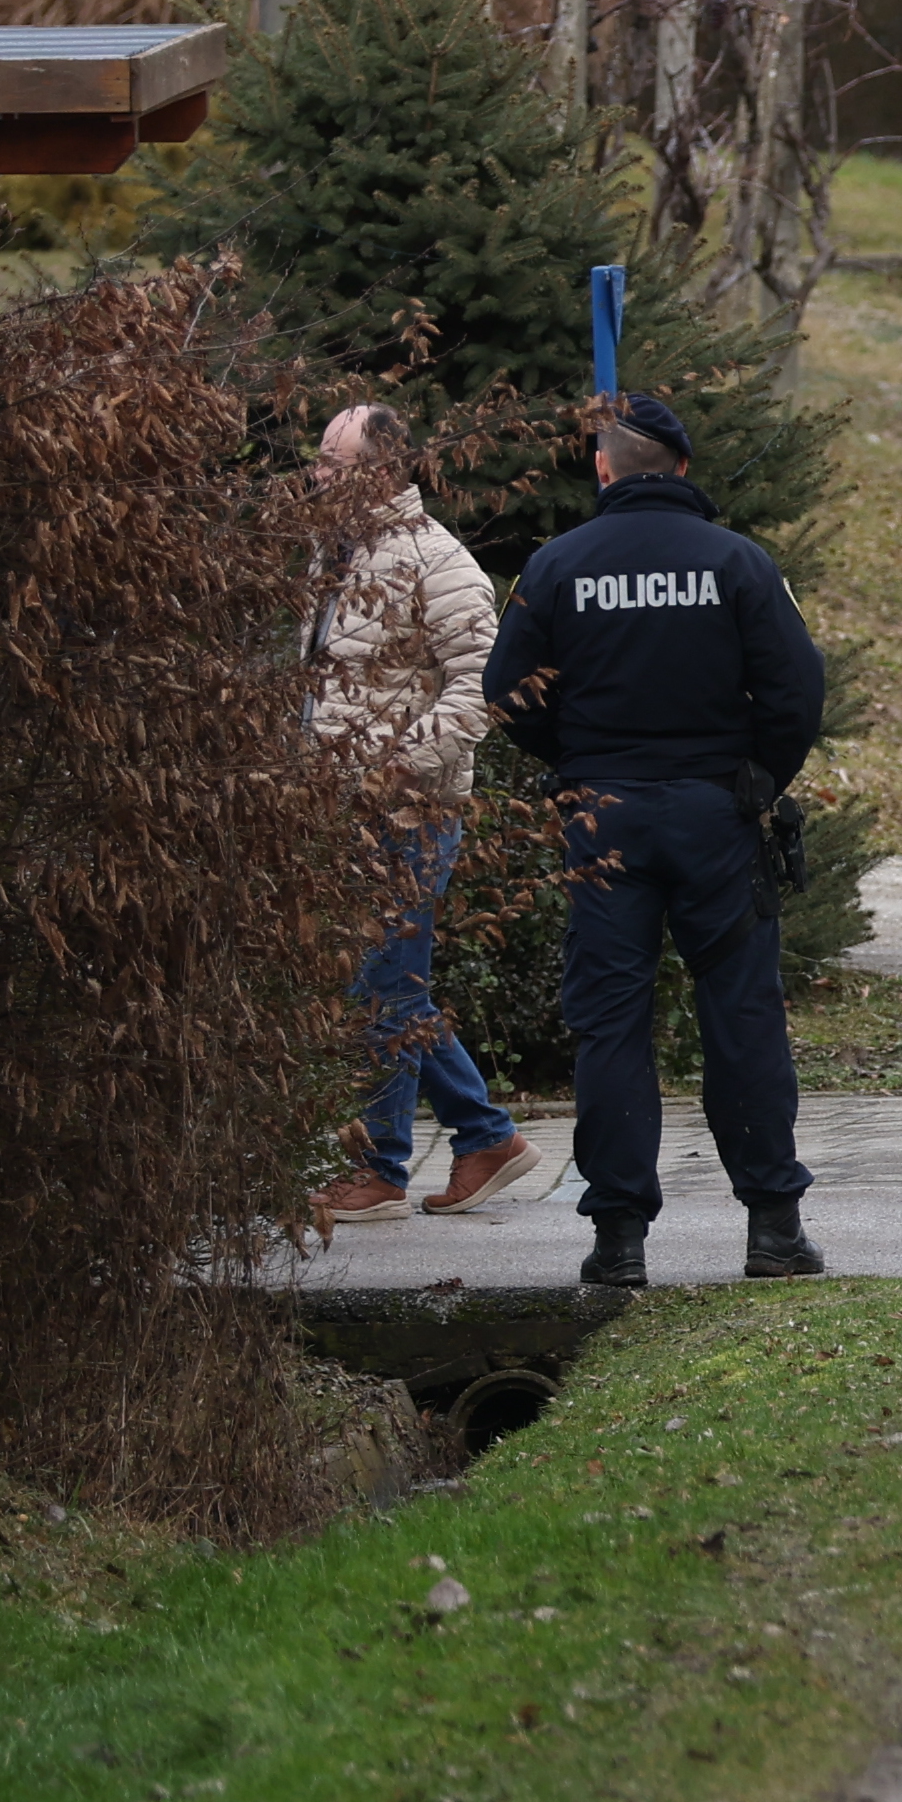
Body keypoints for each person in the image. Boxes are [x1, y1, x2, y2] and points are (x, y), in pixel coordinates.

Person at [481, 393, 830, 1289]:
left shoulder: (557, 566)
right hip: (717, 818)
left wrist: (577, 761)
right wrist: (758, 778)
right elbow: (795, 688)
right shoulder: (736, 562)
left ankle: (618, 1240)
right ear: (682, 468)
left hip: (603, 820)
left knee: (610, 1025)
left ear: (602, 468)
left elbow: (509, 690)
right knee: (742, 1019)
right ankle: (773, 1230)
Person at [308, 403, 542, 1226]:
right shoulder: (335, 558)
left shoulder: (434, 559)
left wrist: (396, 769)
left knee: (384, 989)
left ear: (381, 471)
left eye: (334, 462)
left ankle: (383, 1172)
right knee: (387, 986)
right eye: (320, 459)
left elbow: (484, 684)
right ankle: (486, 1135)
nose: (318, 475)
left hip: (407, 815)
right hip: (338, 810)